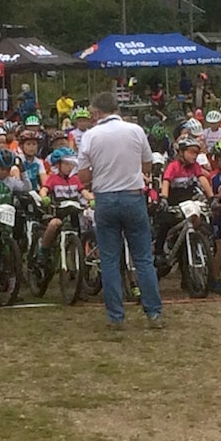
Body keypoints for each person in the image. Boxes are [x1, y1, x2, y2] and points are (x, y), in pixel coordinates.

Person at [76, 91, 163, 331]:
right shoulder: (135, 130)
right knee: (143, 258)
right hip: (133, 196)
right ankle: (153, 313)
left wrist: (98, 178)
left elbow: (83, 175)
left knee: (110, 259)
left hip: (105, 198)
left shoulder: (91, 136)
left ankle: (116, 316)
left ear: (96, 112)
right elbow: (147, 162)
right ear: (117, 108)